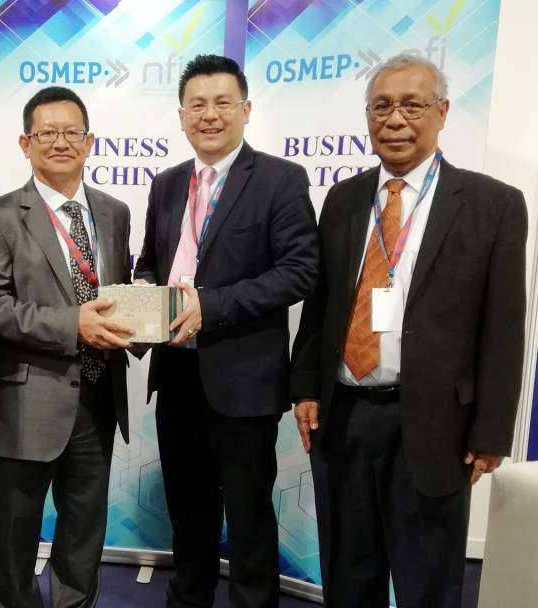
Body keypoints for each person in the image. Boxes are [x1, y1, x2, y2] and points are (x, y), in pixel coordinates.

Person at [290, 54, 527, 608]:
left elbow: (504, 326)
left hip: (436, 423)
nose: (395, 119)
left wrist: (492, 431)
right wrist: (304, 388)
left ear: (442, 112)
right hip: (344, 415)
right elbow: (320, 304)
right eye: (381, 106)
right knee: (349, 573)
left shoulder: (493, 204)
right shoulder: (344, 198)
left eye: (412, 105)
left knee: (428, 581)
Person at [133, 55, 319, 608]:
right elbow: (151, 260)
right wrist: (142, 291)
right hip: (177, 372)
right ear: (182, 115)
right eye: (197, 105)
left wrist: (211, 306)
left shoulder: (281, 180)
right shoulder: (167, 184)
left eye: (222, 103)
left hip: (243, 377)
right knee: (187, 508)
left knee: (247, 514)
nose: (209, 115)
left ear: (246, 109)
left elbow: (299, 270)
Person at [0, 86, 133, 608]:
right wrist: (71, 325)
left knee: (84, 533)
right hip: (26, 402)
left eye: (71, 132)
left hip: (98, 399)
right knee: (15, 539)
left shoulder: (115, 212)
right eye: (47, 133)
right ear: (25, 143)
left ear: (89, 142)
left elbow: (119, 290)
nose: (61, 143)